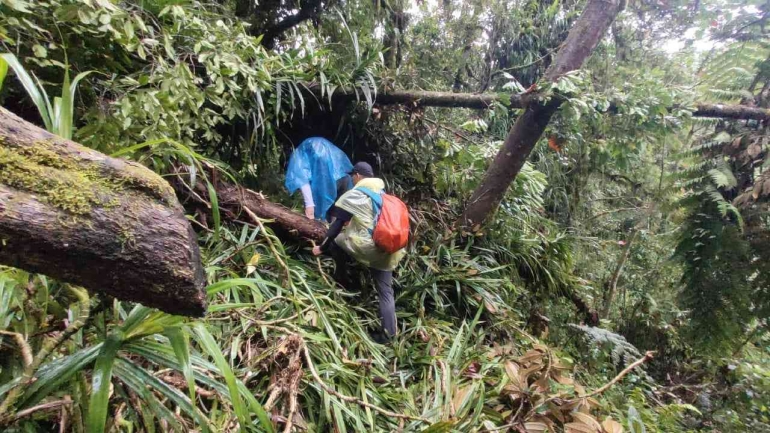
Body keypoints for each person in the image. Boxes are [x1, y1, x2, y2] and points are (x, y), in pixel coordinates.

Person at [312, 162, 406, 343]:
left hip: (370, 248)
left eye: (352, 176)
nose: (352, 179)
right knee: (385, 292)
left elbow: (335, 227)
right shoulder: (383, 195)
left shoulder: (355, 195)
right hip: (391, 249)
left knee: (337, 242)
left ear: (357, 175)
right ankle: (389, 335)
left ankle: (341, 280)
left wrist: (321, 248)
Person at [284, 137, 353, 222]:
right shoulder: (317, 146)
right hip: (343, 179)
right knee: (338, 217)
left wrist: (309, 205)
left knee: (320, 217)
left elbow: (303, 182)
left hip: (328, 182)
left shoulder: (297, 156)